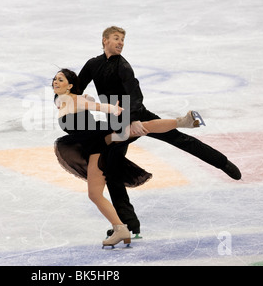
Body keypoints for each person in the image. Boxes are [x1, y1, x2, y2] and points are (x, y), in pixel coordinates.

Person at [77, 26, 242, 237]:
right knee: (112, 169)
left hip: (136, 115)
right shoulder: (93, 64)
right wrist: (63, 97)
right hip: (115, 124)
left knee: (177, 138)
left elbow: (135, 94)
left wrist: (134, 119)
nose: (120, 43)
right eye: (116, 38)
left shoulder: (123, 66)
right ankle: (129, 224)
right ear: (104, 40)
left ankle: (222, 162)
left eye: (123, 40)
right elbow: (76, 88)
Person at [52, 68, 203, 247]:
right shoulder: (62, 100)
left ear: (69, 86)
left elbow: (97, 107)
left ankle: (183, 122)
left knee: (138, 129)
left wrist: (112, 108)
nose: (55, 81)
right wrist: (87, 99)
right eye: (54, 79)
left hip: (102, 139)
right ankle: (120, 229)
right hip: (95, 145)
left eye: (60, 80)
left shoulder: (72, 100)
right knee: (95, 194)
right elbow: (79, 104)